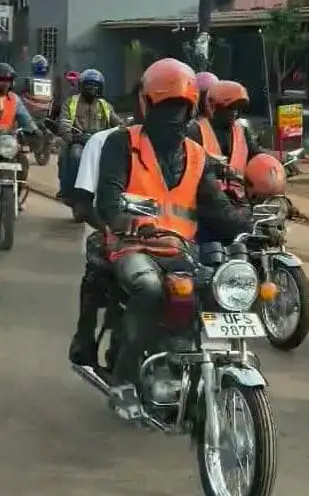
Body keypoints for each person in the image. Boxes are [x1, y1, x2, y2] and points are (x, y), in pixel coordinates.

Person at [95, 58, 252, 420]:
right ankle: (122, 380)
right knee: (148, 288)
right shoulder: (123, 142)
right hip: (131, 245)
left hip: (181, 249)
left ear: (191, 110)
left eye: (180, 108)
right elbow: (107, 198)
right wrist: (125, 220)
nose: (174, 116)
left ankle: (194, 364)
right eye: (167, 106)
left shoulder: (196, 156)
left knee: (220, 288)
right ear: (148, 105)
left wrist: (249, 223)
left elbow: (216, 207)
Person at [67, 83, 145, 367]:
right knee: (99, 277)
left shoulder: (186, 148)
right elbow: (83, 205)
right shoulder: (102, 141)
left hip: (161, 240)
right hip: (107, 236)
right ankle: (85, 338)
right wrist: (111, 229)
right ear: (140, 102)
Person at [187, 79, 265, 201]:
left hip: (239, 199)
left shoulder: (242, 131)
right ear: (214, 107)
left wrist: (272, 163)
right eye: (230, 107)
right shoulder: (196, 131)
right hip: (206, 199)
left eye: (238, 108)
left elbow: (256, 155)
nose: (234, 112)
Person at [58, 69, 121, 201]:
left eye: (95, 86)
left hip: (100, 144)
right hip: (78, 142)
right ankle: (71, 191)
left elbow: (118, 123)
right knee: (75, 156)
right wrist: (72, 137)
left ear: (100, 88)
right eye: (88, 85)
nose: (91, 88)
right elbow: (64, 124)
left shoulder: (105, 106)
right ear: (81, 86)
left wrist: (125, 128)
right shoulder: (71, 102)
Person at [0, 62, 40, 135]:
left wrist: (35, 129)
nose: (5, 83)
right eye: (2, 79)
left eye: (8, 79)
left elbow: (26, 119)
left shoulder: (14, 99)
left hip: (8, 141)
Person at [18, 54, 54, 122]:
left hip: (44, 115)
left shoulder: (49, 82)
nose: (42, 69)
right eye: (40, 66)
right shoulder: (28, 81)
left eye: (43, 67)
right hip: (30, 115)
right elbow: (22, 98)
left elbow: (51, 99)